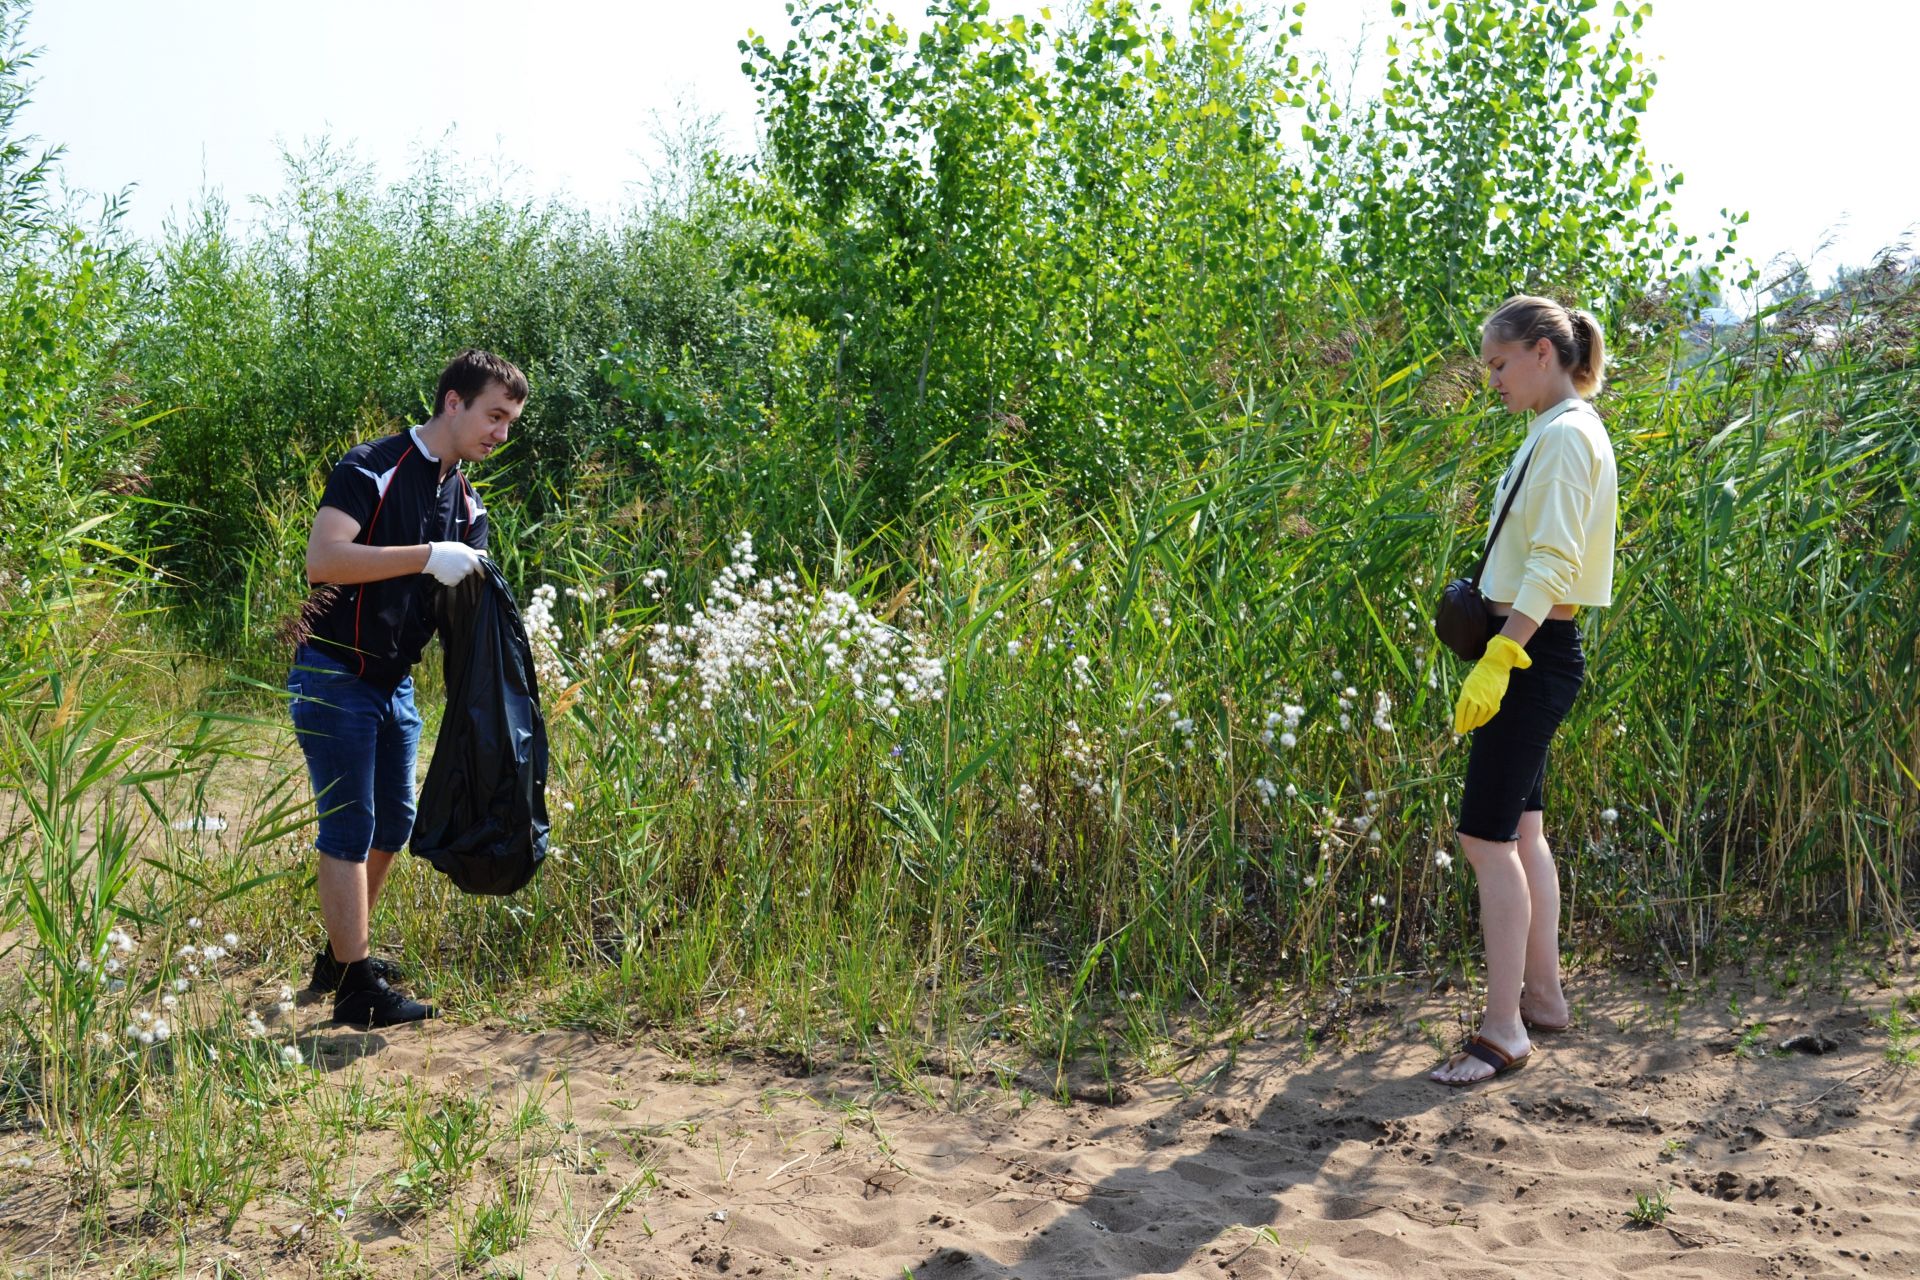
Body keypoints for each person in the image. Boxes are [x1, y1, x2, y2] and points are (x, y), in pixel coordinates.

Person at [288, 349, 527, 1027]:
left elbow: (462, 608)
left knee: (394, 823)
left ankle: (339, 958)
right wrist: (426, 557)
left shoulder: (468, 502)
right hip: (334, 673)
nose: (500, 435)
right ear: (453, 402)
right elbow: (324, 560)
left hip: (393, 686)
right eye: (493, 416)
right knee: (350, 826)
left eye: (510, 423)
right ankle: (357, 988)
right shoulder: (371, 467)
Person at [1430, 297, 1617, 1086]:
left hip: (1531, 650)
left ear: (1543, 352)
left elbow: (1553, 561)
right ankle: (1542, 999)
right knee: (1525, 832)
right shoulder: (1553, 431)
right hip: (1533, 647)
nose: (1493, 381)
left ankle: (1504, 1031)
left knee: (1485, 842)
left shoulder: (1568, 436)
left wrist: (1505, 654)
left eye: (1499, 365)